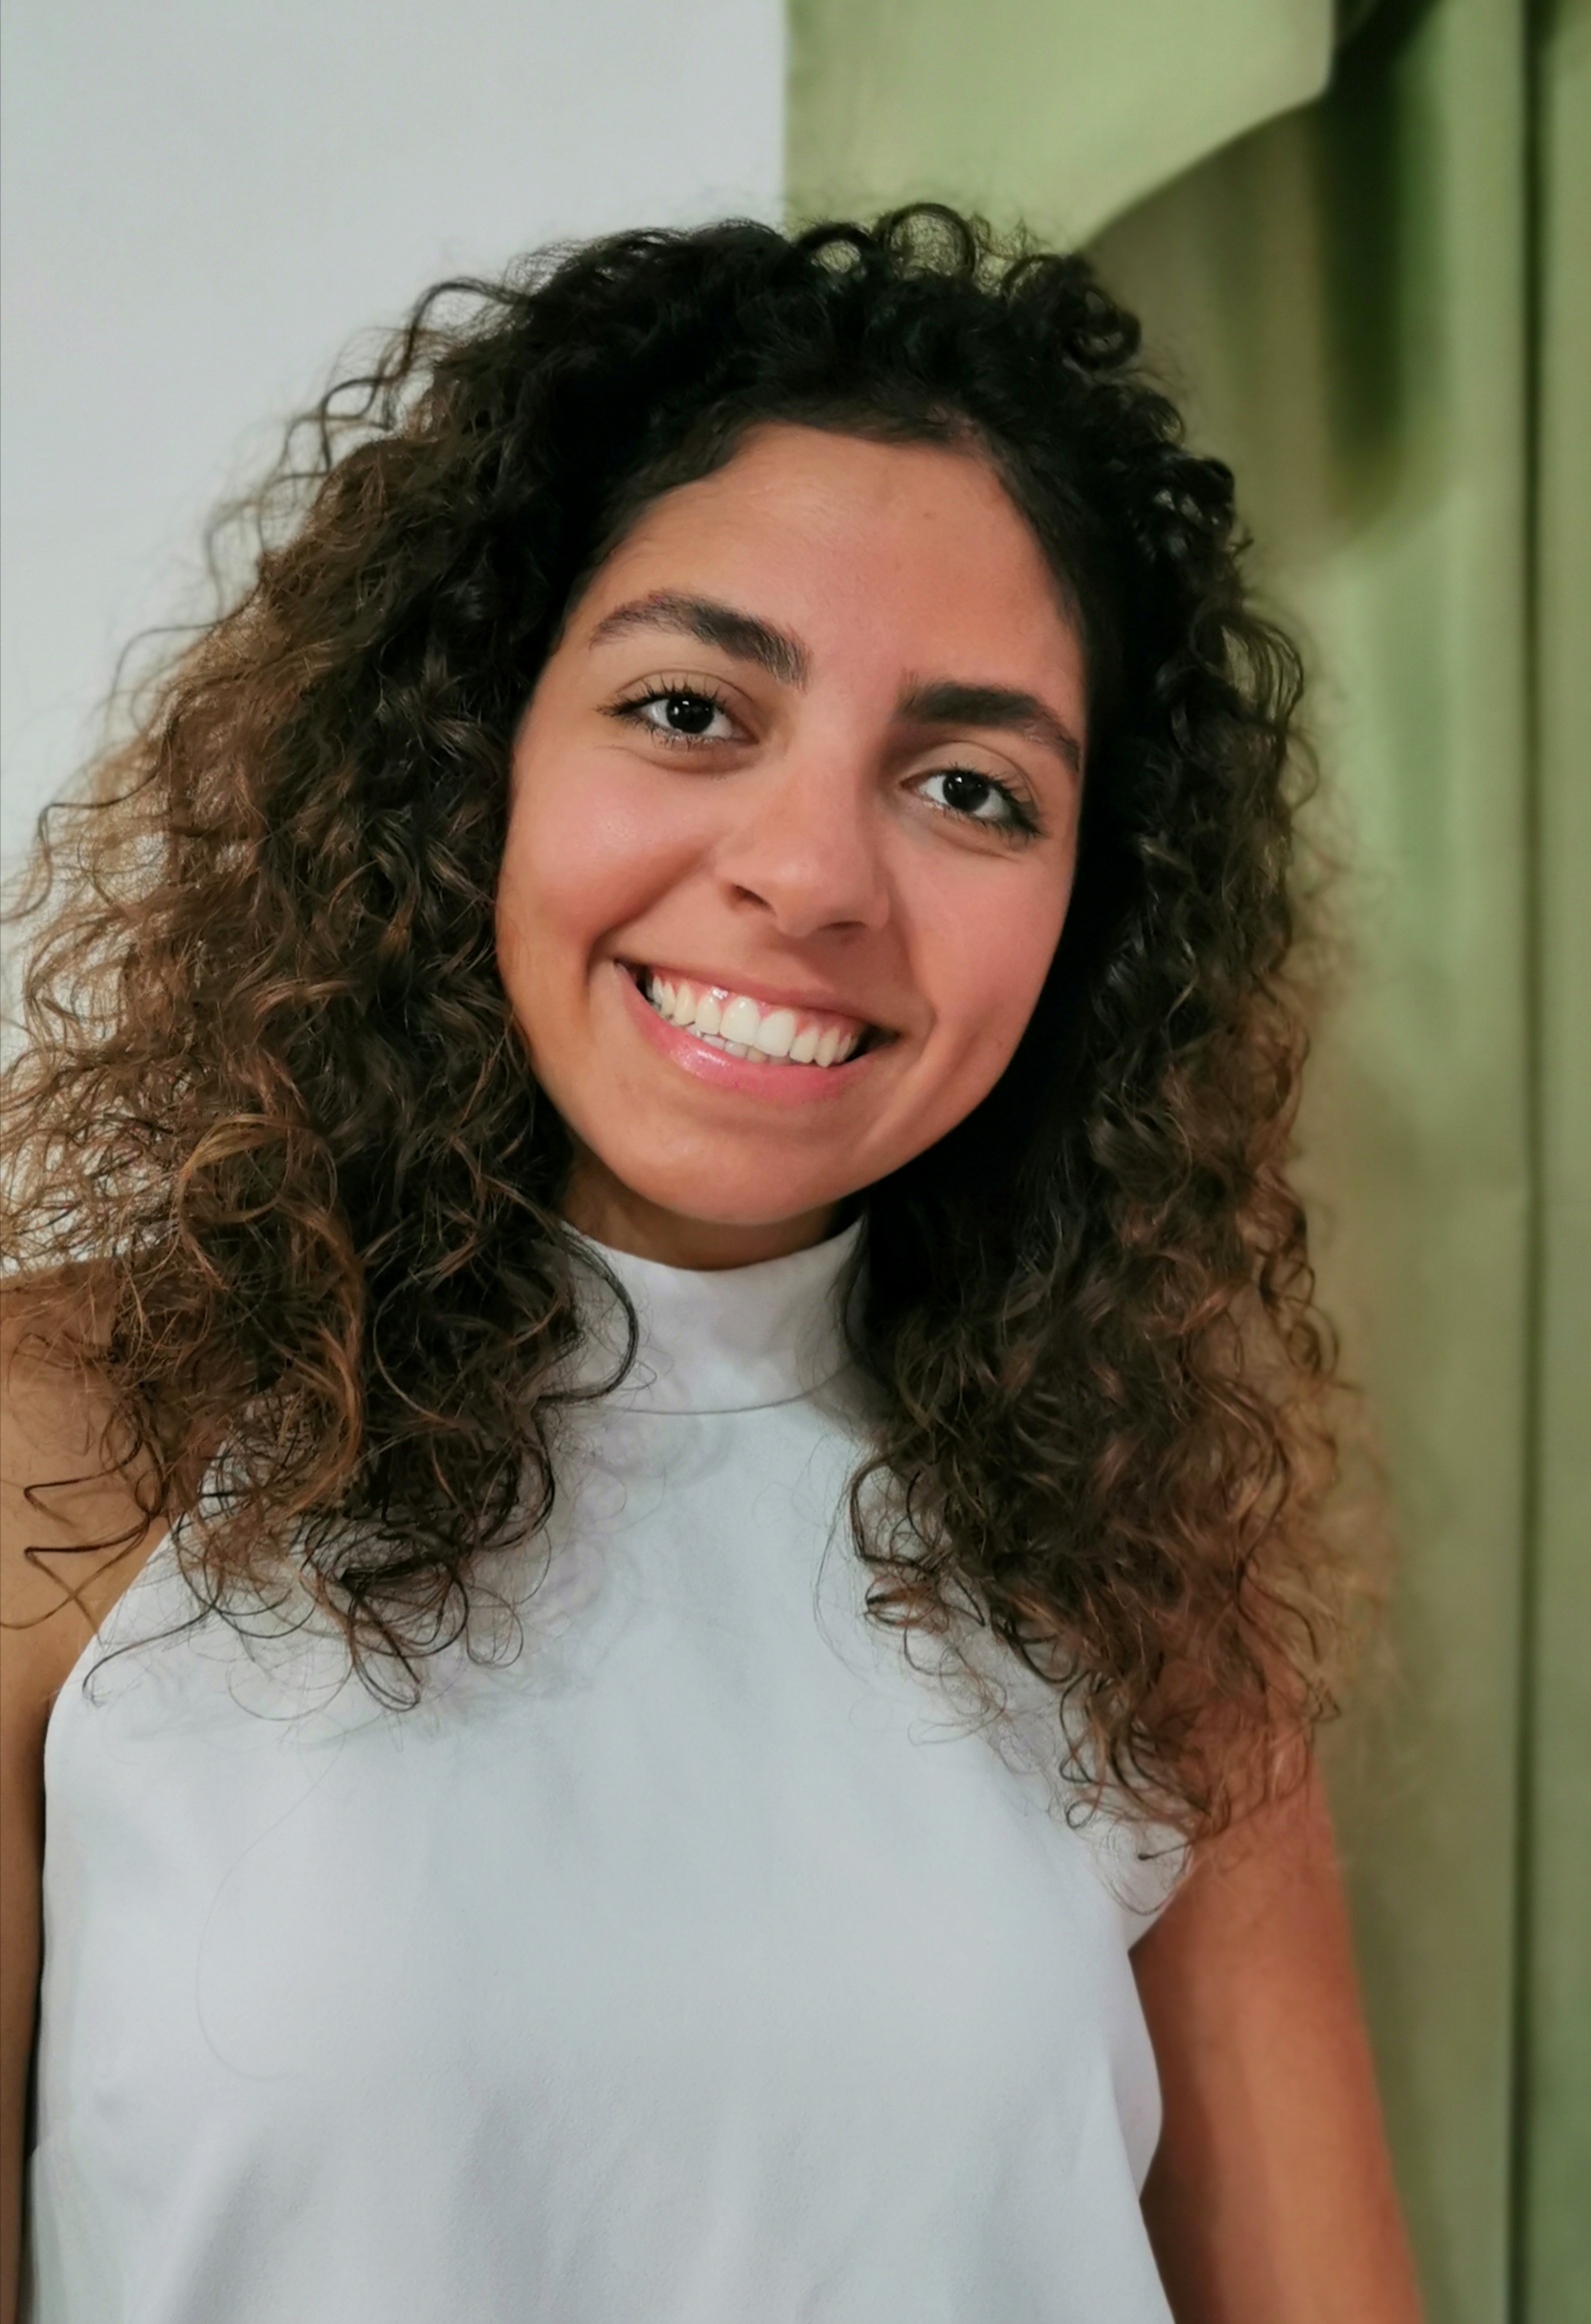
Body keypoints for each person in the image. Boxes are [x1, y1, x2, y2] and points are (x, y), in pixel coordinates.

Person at [0, 207, 1423, 2322]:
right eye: (688, 707)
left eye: (970, 787)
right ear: (473, 741)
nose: (812, 874)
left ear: (1092, 912)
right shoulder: (71, 1442)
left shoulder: (1139, 1564)